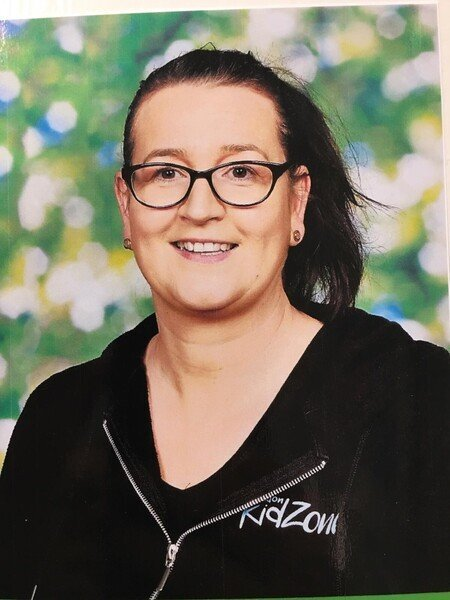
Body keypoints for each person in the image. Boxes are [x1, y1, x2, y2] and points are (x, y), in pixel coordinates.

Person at [0, 47, 449, 600]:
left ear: (296, 203)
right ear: (126, 205)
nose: (200, 208)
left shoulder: (420, 405)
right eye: (166, 173)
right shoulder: (60, 415)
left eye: (241, 172)